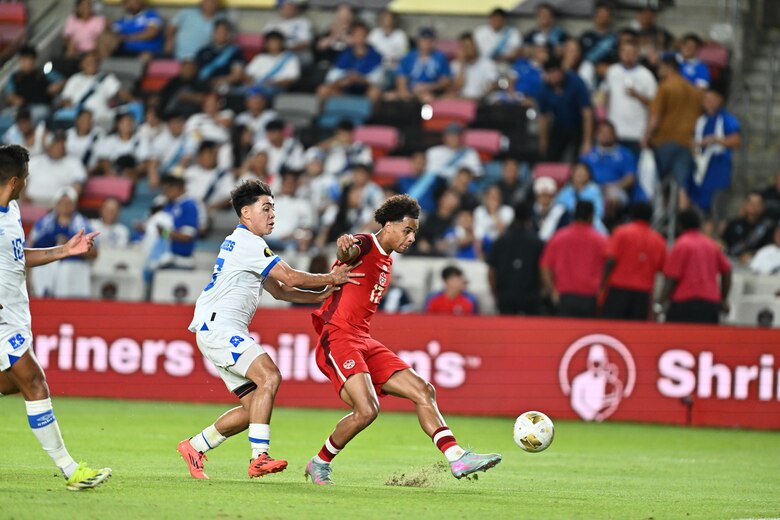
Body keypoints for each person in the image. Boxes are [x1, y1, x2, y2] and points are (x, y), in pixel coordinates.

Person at [304, 194, 501, 485]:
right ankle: (319, 462)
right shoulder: (368, 243)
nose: (411, 238)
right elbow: (350, 250)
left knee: (424, 390)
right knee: (368, 410)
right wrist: (345, 247)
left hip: (363, 339)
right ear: (388, 225)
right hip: (338, 335)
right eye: (407, 230)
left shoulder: (386, 260)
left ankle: (457, 457)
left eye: (414, 233)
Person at [177, 179, 362, 481]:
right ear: (246, 213)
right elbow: (289, 277)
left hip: (216, 328)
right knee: (270, 376)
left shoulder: (247, 245)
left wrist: (320, 295)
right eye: (266, 208)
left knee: (254, 409)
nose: (273, 214)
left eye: (273, 208)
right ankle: (259, 458)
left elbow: (280, 291)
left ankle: (195, 446)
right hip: (220, 327)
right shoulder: (248, 242)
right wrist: (331, 276)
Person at [0, 145, 110, 490]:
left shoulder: (12, 210)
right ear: (15, 180)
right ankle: (71, 470)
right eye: (26, 178)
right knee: (34, 382)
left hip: (15, 313)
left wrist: (64, 250)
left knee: (11, 384)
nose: (28, 184)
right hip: (2, 320)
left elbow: (17, 258)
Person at [642, 55, 702, 210]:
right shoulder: (693, 90)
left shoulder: (665, 86)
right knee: (682, 186)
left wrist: (646, 136)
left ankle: (661, 219)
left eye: (660, 67)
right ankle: (683, 220)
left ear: (668, 67)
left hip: (665, 140)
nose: (658, 71)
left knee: (660, 184)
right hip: (686, 141)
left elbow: (655, 117)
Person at [658, 208, 731, 324]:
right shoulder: (711, 244)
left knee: (678, 340)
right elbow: (727, 271)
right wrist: (723, 298)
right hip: (711, 303)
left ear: (681, 225)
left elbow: (672, 278)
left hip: (685, 303)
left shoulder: (681, 244)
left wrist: (660, 303)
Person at [540, 201, 607, 318]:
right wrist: (601, 291)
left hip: (564, 297)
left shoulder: (558, 237)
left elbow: (545, 266)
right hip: (590, 298)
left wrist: (552, 291)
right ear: (591, 216)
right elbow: (609, 266)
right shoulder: (601, 240)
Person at [601, 202, 666, 321]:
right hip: (643, 295)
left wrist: (602, 284)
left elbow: (610, 260)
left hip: (618, 291)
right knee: (636, 334)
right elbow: (664, 270)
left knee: (612, 330)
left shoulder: (621, 233)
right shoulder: (658, 240)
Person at [29, 187, 97, 299]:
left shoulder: (83, 225)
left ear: (74, 205)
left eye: (68, 202)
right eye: (61, 202)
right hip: (45, 267)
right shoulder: (43, 224)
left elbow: (94, 253)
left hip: (73, 268)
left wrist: (73, 248)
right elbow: (29, 247)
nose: (65, 205)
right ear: (55, 204)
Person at [688, 88, 741, 220]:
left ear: (720, 100)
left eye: (712, 99)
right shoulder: (700, 120)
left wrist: (716, 139)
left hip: (718, 164)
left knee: (716, 206)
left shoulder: (727, 119)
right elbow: (695, 141)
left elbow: (736, 140)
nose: (708, 102)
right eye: (706, 100)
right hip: (701, 163)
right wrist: (695, 149)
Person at [487, 202, 544, 315]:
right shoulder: (537, 242)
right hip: (530, 297)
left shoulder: (500, 241)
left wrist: (496, 295)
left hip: (506, 297)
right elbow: (543, 269)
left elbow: (491, 272)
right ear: (529, 219)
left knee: (506, 331)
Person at [602, 39, 657, 157]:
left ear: (637, 54)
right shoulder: (612, 71)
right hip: (614, 131)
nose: (627, 55)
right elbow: (606, 97)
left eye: (631, 52)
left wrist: (638, 96)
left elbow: (655, 105)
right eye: (624, 52)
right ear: (619, 53)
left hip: (636, 132)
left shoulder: (646, 76)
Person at [537, 57, 593, 162]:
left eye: (555, 72)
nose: (553, 76)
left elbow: (587, 113)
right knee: (551, 156)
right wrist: (543, 142)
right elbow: (542, 117)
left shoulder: (576, 83)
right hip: (559, 125)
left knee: (580, 158)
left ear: (561, 71)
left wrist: (587, 141)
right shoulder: (544, 88)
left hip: (579, 125)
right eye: (549, 73)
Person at [59, 51, 132, 131]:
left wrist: (132, 100)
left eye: (95, 62)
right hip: (77, 117)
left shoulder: (107, 79)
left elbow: (122, 93)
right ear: (82, 64)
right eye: (89, 62)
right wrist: (71, 107)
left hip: (99, 118)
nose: (92, 64)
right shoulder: (74, 79)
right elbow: (65, 99)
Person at [580, 121, 636, 217]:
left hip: (616, 188)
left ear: (614, 135)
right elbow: (579, 173)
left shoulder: (625, 154)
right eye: (602, 133)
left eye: (608, 133)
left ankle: (609, 224)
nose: (605, 136)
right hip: (592, 188)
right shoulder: (588, 154)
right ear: (596, 135)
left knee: (613, 199)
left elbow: (630, 178)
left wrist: (613, 186)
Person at [319, 22, 383, 102]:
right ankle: (327, 113)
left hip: (365, 91)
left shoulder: (375, 55)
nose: (359, 38)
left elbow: (378, 80)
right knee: (323, 89)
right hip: (345, 90)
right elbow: (332, 77)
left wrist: (359, 79)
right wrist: (343, 81)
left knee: (375, 92)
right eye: (356, 35)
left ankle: (368, 114)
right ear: (352, 37)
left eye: (362, 35)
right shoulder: (345, 53)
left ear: (366, 36)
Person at [3, 45, 64, 126]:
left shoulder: (43, 73)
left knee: (29, 119)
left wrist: (55, 86)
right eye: (22, 59)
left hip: (40, 107)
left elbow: (62, 80)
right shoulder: (15, 77)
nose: (24, 62)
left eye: (27, 59)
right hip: (21, 108)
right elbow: (9, 94)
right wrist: (14, 98)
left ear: (34, 60)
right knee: (4, 117)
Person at [391, 28, 452, 103]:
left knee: (432, 97)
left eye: (429, 40)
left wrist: (428, 87)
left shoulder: (440, 57)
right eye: (423, 40)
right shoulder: (408, 58)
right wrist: (407, 94)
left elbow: (446, 82)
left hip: (433, 93)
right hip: (411, 93)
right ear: (418, 41)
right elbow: (401, 81)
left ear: (433, 42)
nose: (426, 43)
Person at [159, 174, 201, 269]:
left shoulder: (188, 206)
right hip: (166, 256)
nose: (165, 192)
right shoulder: (168, 205)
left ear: (177, 188)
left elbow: (187, 236)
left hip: (181, 260)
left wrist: (163, 233)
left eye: (167, 189)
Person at [100, 0, 164, 61]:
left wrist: (126, 38)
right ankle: (105, 68)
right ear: (125, 4)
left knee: (145, 56)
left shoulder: (151, 15)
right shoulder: (121, 21)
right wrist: (107, 28)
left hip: (146, 51)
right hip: (123, 51)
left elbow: (151, 32)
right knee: (104, 37)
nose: (136, 1)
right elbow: (112, 35)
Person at [244, 30, 301, 97]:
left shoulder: (291, 58)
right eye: (270, 42)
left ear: (282, 43)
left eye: (276, 41)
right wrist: (251, 83)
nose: (273, 44)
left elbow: (290, 80)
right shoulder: (260, 57)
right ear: (266, 44)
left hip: (276, 89)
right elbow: (248, 75)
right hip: (256, 87)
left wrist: (272, 83)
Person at [722, 192, 775, 261]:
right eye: (751, 203)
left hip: (758, 263)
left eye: (757, 204)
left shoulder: (769, 227)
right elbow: (723, 241)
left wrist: (752, 254)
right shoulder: (734, 224)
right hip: (733, 260)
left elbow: (772, 249)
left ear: (762, 206)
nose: (754, 206)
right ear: (745, 204)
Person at [195, 20, 245, 90]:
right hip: (202, 85)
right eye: (218, 31)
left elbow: (237, 76)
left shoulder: (235, 52)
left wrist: (217, 81)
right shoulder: (202, 51)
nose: (221, 34)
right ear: (213, 33)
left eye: (224, 31)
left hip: (225, 86)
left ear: (229, 34)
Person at [262, 0, 313, 65]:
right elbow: (266, 43)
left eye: (291, 7)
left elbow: (306, 43)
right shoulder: (271, 24)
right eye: (285, 7)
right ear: (279, 9)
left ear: (296, 8)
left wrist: (285, 50)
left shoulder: (304, 22)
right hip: (275, 54)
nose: (288, 10)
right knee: (262, 59)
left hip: (298, 55)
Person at [450, 32, 498, 100]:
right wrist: (462, 64)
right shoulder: (455, 65)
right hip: (461, 100)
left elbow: (493, 85)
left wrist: (480, 97)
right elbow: (457, 87)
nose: (466, 49)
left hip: (481, 101)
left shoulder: (487, 63)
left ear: (475, 46)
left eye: (468, 46)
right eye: (463, 47)